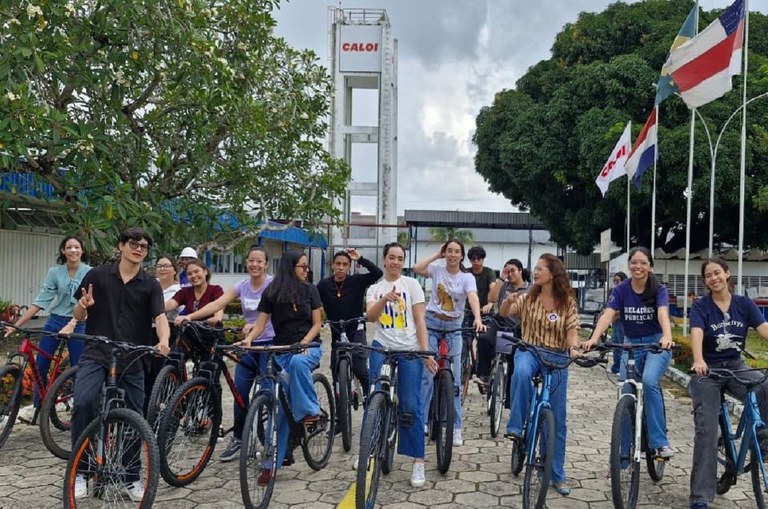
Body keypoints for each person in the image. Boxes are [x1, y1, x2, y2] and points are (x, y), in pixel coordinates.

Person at [68, 227, 170, 501]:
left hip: (133, 357)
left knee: (135, 417)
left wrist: (163, 340)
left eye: (144, 246)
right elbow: (78, 311)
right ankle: (82, 471)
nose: (139, 249)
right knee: (83, 404)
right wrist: (84, 306)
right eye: (134, 244)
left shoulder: (150, 284)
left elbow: (160, 316)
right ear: (121, 246)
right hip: (97, 352)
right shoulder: (97, 276)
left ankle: (131, 476)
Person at [175, 246, 275, 462]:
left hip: (270, 344)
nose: (255, 265)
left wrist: (255, 326)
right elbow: (217, 304)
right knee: (240, 392)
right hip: (247, 346)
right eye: (251, 260)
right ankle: (239, 439)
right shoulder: (242, 286)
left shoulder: (272, 285)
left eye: (259, 261)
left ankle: (270, 444)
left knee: (267, 394)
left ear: (266, 264)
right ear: (247, 262)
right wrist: (190, 317)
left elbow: (278, 311)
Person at [687, 258, 768, 509]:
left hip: (735, 366)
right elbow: (697, 332)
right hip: (708, 371)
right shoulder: (701, 306)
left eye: (717, 273)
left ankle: (762, 439)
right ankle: (700, 496)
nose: (714, 278)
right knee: (707, 432)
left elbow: (764, 328)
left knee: (764, 385)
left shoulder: (744, 304)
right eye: (708, 276)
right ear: (705, 281)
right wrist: (699, 359)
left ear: (727, 273)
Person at [582, 247, 675, 460]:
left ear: (650, 266)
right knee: (625, 392)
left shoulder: (658, 289)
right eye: (634, 262)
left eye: (643, 263)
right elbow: (608, 314)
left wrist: (667, 336)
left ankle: (660, 443)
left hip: (655, 346)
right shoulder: (622, 289)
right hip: (630, 345)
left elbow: (662, 312)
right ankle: (621, 458)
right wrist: (595, 338)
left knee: (650, 381)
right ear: (629, 265)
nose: (638, 267)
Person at [499, 253, 580, 496]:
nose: (535, 272)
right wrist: (507, 300)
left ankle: (557, 474)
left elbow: (572, 330)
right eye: (534, 269)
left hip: (557, 356)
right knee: (521, 373)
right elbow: (504, 312)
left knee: (557, 419)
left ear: (553, 273)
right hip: (530, 350)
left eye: (540, 268)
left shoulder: (567, 301)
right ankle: (516, 425)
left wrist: (574, 348)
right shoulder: (528, 296)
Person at [239, 250, 323, 484]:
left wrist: (305, 342)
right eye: (303, 266)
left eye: (307, 267)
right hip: (281, 350)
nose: (306, 270)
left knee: (297, 362)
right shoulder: (272, 292)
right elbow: (260, 323)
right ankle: (270, 462)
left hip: (309, 347)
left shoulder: (310, 290)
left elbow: (318, 324)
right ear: (290, 267)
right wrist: (249, 339)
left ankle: (310, 410)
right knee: (277, 407)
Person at [365, 242, 437, 487]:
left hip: (409, 349)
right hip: (381, 346)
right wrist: (385, 298)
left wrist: (426, 352)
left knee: (410, 403)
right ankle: (369, 447)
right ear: (384, 260)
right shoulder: (374, 288)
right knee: (373, 395)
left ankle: (418, 461)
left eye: (400, 258)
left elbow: (419, 320)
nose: (395, 262)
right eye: (391, 257)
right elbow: (371, 317)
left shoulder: (412, 284)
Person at [5, 236, 91, 420]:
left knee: (79, 367)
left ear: (82, 251)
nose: (73, 250)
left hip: (80, 322)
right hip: (55, 320)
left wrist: (77, 321)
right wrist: (16, 326)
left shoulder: (90, 273)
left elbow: (92, 305)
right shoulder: (55, 272)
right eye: (69, 247)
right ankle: (38, 407)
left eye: (77, 247)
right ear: (63, 251)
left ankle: (80, 409)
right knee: (41, 364)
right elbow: (40, 302)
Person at [413, 239, 484, 448]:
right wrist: (437, 254)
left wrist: (478, 318)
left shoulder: (467, 277)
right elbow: (417, 268)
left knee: (454, 380)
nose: (453, 255)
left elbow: (473, 297)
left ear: (462, 256)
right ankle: (423, 421)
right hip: (432, 323)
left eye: (456, 252)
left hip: (454, 327)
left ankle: (456, 428)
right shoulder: (436, 270)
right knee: (427, 375)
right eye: (449, 251)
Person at [316, 248, 383, 405]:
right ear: (333, 265)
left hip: (356, 329)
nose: (341, 267)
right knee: (335, 371)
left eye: (345, 264)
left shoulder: (357, 281)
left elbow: (377, 273)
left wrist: (360, 258)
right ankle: (340, 416)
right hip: (336, 332)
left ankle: (369, 399)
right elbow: (313, 303)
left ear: (349, 266)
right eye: (338, 264)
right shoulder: (324, 285)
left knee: (360, 369)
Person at [475, 258, 528, 388]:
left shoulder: (529, 288)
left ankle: (510, 396)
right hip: (499, 322)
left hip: (517, 327)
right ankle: (484, 375)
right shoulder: (504, 285)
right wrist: (502, 279)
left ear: (520, 271)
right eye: (507, 271)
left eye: (513, 271)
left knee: (514, 358)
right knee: (483, 339)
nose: (510, 274)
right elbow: (491, 298)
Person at [164, 258, 224, 324]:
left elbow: (219, 307)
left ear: (205, 271)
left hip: (211, 330)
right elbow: (171, 303)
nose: (193, 276)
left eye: (196, 271)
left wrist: (217, 318)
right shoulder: (185, 292)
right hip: (190, 331)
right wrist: (155, 308)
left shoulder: (216, 290)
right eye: (189, 274)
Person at [609, 271, 628, 374]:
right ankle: (616, 367)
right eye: (615, 281)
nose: (616, 283)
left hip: (621, 321)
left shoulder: (626, 291)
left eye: (618, 281)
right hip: (615, 321)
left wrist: (615, 314)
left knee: (620, 345)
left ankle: (621, 368)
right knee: (615, 345)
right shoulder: (615, 291)